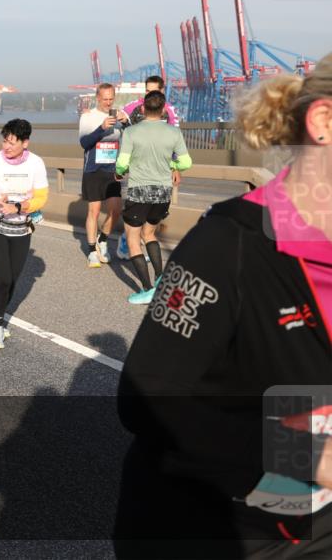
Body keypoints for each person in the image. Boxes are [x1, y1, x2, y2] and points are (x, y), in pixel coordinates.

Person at [115, 54, 332, 558]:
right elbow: (145, 399)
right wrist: (304, 452)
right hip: (213, 533)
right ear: (323, 121)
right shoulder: (227, 245)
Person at [0, 119, 49, 349]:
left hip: (20, 228)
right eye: (4, 141)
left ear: (25, 143)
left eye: (12, 143)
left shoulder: (36, 164)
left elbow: (41, 197)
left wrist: (19, 207)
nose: (6, 147)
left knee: (13, 280)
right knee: (3, 278)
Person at [114, 90, 193, 304]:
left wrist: (120, 172)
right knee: (149, 234)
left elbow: (122, 163)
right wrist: (170, 164)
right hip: (163, 191)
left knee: (133, 238)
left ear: (142, 108)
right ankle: (159, 278)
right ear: (163, 110)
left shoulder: (131, 132)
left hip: (139, 190)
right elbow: (186, 162)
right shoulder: (173, 133)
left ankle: (147, 290)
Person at [79, 82, 130, 267]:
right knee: (93, 211)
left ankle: (103, 239)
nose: (108, 103)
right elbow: (84, 142)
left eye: (111, 99)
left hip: (112, 170)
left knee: (116, 210)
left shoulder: (120, 115)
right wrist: (101, 128)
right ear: (97, 98)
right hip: (93, 169)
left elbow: (133, 137)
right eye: (105, 99)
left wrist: (126, 123)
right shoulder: (88, 116)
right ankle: (92, 251)